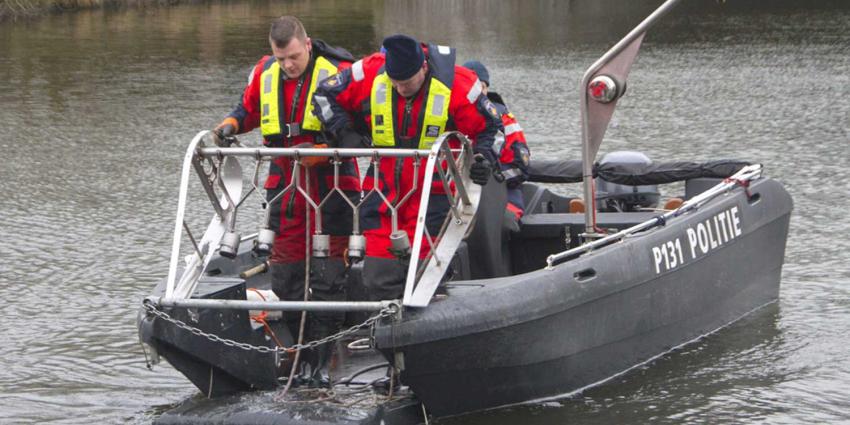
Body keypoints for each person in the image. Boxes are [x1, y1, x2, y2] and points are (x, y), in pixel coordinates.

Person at [212, 16, 359, 387]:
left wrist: (323, 151)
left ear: (307, 44)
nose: (288, 65)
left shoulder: (339, 74)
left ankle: (322, 362)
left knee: (328, 278)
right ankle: (302, 357)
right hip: (285, 184)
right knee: (286, 275)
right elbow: (248, 109)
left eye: (294, 57)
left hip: (331, 184)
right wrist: (230, 125)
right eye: (281, 59)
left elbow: (359, 129)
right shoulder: (265, 73)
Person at [312, 34, 502, 301]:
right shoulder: (369, 71)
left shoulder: (458, 84)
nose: (400, 88)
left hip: (433, 194)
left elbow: (493, 128)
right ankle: (388, 322)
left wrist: (483, 158)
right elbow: (323, 96)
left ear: (423, 67)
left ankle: (427, 320)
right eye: (395, 82)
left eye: (407, 82)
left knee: (425, 278)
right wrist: (345, 132)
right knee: (376, 277)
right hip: (382, 192)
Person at [462, 60, 531, 220]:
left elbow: (520, 168)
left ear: (486, 89)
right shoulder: (448, 116)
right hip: (457, 194)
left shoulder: (504, 119)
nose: (477, 94)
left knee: (501, 221)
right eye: (471, 88)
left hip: (502, 191)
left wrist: (491, 175)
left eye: (481, 87)